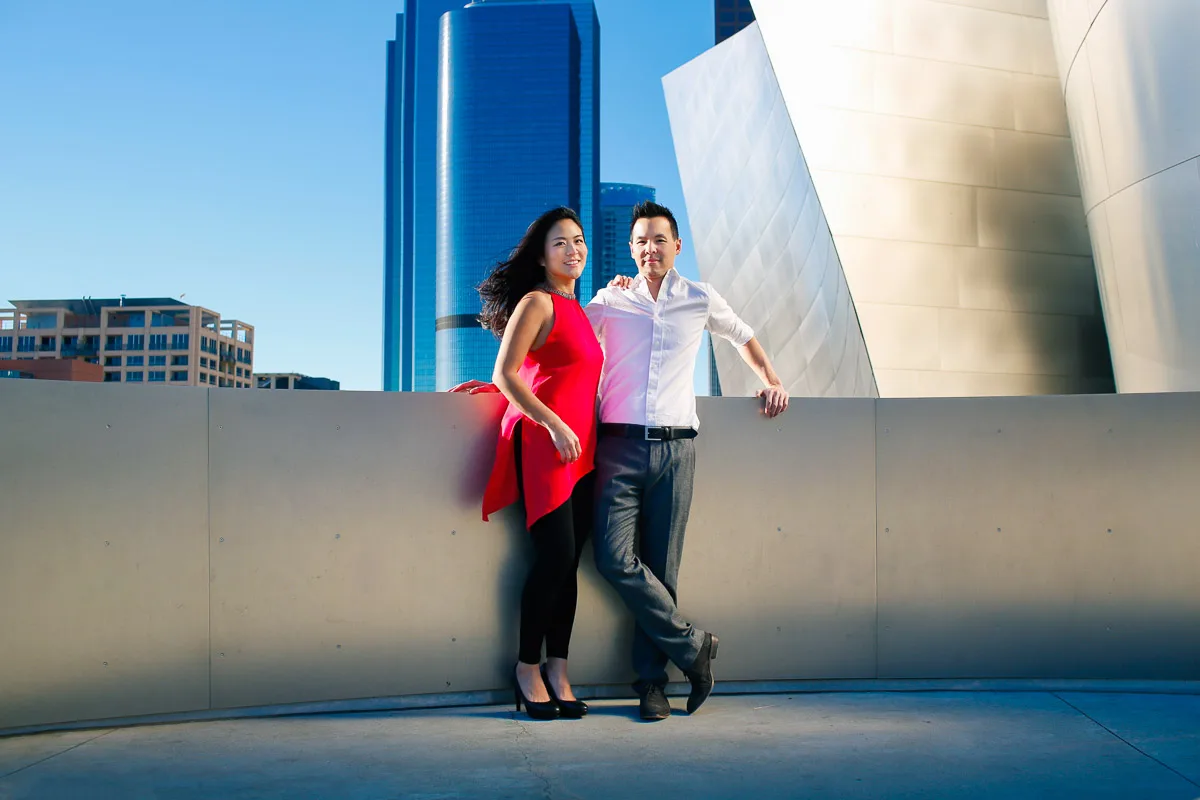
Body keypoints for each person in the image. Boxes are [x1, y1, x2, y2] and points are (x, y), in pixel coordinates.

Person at [458, 201, 788, 721]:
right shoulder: (609, 299)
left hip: (677, 448)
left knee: (661, 569)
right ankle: (693, 647)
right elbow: (549, 347)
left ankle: (651, 684)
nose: (650, 248)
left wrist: (770, 379)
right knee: (610, 559)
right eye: (640, 241)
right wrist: (501, 392)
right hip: (613, 446)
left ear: (677, 246)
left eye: (660, 239)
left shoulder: (701, 298)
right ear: (630, 249)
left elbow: (743, 335)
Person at [476, 206, 603, 721]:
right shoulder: (537, 301)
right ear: (542, 255)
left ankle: (559, 670)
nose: (573, 250)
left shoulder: (581, 309)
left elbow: (562, 372)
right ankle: (527, 668)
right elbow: (507, 373)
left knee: (569, 567)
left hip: (586, 451)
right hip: (548, 445)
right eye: (560, 243)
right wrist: (552, 423)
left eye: (578, 240)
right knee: (552, 561)